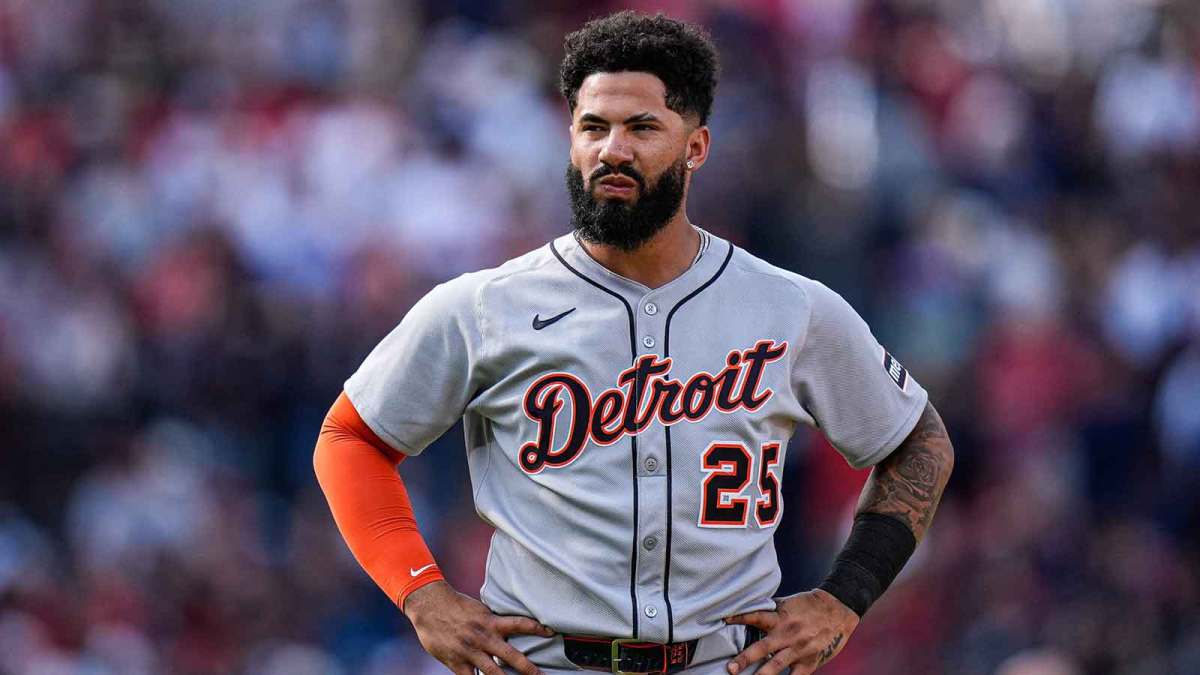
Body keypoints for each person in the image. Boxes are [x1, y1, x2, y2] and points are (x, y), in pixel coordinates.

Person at [313, 11, 954, 675]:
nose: (611, 150)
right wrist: (420, 591)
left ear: (696, 147)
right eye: (594, 127)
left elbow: (919, 443)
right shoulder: (485, 306)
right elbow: (351, 438)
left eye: (642, 127)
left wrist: (844, 598)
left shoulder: (791, 307)